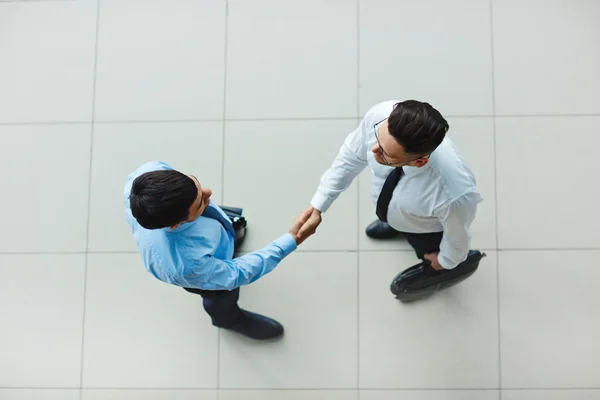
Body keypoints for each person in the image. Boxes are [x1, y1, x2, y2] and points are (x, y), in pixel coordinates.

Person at [297, 100, 486, 301]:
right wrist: (318, 206)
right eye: (378, 139)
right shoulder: (382, 116)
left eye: (385, 154)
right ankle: (394, 222)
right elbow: (352, 156)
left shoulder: (454, 195)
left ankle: (434, 272)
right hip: (400, 209)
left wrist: (444, 261)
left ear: (419, 161)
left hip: (425, 228)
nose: (373, 150)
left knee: (429, 248)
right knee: (395, 211)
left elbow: (458, 236)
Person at [124, 161, 311, 340]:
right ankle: (230, 320)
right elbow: (237, 273)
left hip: (211, 236)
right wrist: (291, 240)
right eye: (200, 204)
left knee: (225, 227)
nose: (208, 192)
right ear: (175, 224)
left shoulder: (148, 172)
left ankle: (228, 234)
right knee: (222, 296)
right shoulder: (187, 265)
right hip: (203, 273)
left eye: (195, 183)